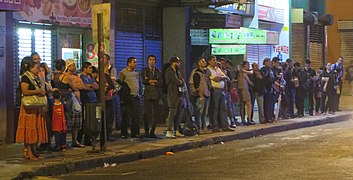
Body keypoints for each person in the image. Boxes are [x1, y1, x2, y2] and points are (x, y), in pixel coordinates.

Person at [16, 57, 48, 160]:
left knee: (35, 128)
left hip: (36, 107)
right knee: (29, 129)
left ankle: (33, 150)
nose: (38, 70)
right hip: (29, 108)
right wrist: (37, 91)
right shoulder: (25, 77)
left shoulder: (35, 77)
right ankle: (29, 151)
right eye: (36, 68)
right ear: (30, 68)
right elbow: (25, 92)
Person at [51, 59, 80, 148]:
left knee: (57, 121)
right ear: (64, 67)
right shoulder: (66, 77)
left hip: (55, 100)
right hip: (66, 100)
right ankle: (63, 143)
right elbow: (74, 88)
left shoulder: (53, 76)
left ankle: (58, 142)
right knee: (66, 121)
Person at [207, 56, 233, 131]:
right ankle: (215, 126)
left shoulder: (217, 69)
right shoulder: (208, 70)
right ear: (209, 61)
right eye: (213, 60)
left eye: (215, 60)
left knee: (223, 108)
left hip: (222, 90)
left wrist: (221, 77)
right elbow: (215, 78)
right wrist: (222, 77)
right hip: (215, 90)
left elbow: (227, 78)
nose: (215, 61)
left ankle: (225, 125)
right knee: (215, 108)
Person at [118, 57, 141, 138]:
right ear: (129, 63)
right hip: (128, 98)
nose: (136, 64)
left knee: (135, 116)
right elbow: (119, 84)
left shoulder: (136, 73)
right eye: (134, 62)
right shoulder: (123, 73)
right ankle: (124, 133)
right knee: (126, 116)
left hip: (136, 97)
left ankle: (135, 133)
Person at [141, 55, 162, 138]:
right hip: (147, 95)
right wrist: (151, 81)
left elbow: (160, 82)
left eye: (153, 60)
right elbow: (143, 80)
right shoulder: (145, 70)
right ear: (148, 61)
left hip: (156, 95)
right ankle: (146, 131)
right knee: (146, 113)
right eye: (150, 60)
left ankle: (152, 131)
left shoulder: (158, 71)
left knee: (156, 114)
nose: (152, 61)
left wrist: (151, 81)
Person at [78, 62, 99, 145]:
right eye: (89, 68)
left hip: (93, 101)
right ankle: (80, 138)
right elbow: (83, 86)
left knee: (91, 121)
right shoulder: (81, 77)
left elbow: (96, 86)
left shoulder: (90, 77)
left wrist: (90, 86)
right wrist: (89, 86)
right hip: (85, 101)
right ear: (85, 69)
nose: (91, 69)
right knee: (85, 121)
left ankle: (88, 138)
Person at [165, 56, 186, 138]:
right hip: (173, 95)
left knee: (179, 114)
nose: (179, 64)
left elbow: (182, 81)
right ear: (173, 63)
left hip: (180, 95)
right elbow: (178, 81)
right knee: (172, 113)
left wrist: (181, 82)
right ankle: (169, 131)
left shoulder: (177, 71)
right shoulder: (169, 71)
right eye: (177, 62)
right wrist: (181, 82)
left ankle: (176, 130)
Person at [189, 57, 211, 133]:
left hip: (207, 94)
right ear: (198, 63)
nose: (204, 62)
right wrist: (197, 92)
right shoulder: (197, 73)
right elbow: (195, 85)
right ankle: (199, 128)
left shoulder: (205, 72)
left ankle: (204, 127)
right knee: (199, 113)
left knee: (205, 113)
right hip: (200, 95)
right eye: (202, 61)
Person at [261, 58, 275, 122]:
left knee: (270, 104)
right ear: (265, 62)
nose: (270, 63)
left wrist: (277, 77)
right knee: (266, 104)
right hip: (266, 89)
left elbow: (272, 79)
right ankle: (267, 117)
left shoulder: (270, 70)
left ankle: (270, 116)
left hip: (270, 88)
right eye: (269, 62)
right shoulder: (263, 69)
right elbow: (264, 79)